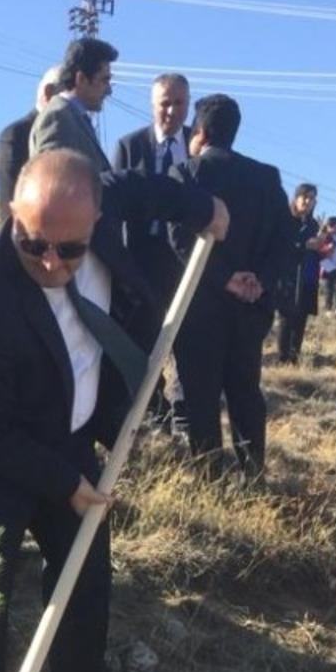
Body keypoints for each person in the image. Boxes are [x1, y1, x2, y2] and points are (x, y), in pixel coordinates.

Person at [0, 148, 226, 672]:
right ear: (13, 211)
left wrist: (205, 209)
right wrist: (65, 485)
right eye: (32, 241)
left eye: (69, 249)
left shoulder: (103, 199)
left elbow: (146, 187)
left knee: (85, 591)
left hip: (66, 440)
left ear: (95, 218)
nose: (49, 261)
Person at [171, 93, 291, 479]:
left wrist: (224, 278)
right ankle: (252, 471)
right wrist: (258, 279)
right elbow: (285, 242)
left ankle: (209, 475)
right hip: (250, 308)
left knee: (200, 394)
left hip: (202, 307)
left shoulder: (187, 174)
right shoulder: (267, 177)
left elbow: (179, 239)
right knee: (245, 390)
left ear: (200, 132)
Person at [112, 71, 192, 428]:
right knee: (142, 336)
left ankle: (181, 412)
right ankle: (148, 409)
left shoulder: (196, 146)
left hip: (184, 261)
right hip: (140, 260)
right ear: (152, 105)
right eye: (165, 103)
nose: (171, 111)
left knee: (183, 339)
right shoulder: (130, 146)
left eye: (179, 103)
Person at [29, 37, 116, 177]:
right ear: (81, 78)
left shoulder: (74, 117)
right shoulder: (57, 118)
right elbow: (55, 183)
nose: (109, 91)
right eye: (104, 80)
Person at [0, 66, 61, 220]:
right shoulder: (16, 135)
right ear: (49, 93)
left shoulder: (68, 135)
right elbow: (12, 208)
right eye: (67, 96)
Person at [275, 182, 324, 363]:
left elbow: (313, 249)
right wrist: (303, 245)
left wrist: (320, 247)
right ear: (296, 198)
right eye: (305, 197)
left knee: (301, 319)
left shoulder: (313, 224)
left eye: (312, 198)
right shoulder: (285, 219)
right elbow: (280, 246)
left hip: (308, 276)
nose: (308, 201)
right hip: (288, 275)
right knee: (287, 318)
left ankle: (294, 358)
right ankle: (282, 358)